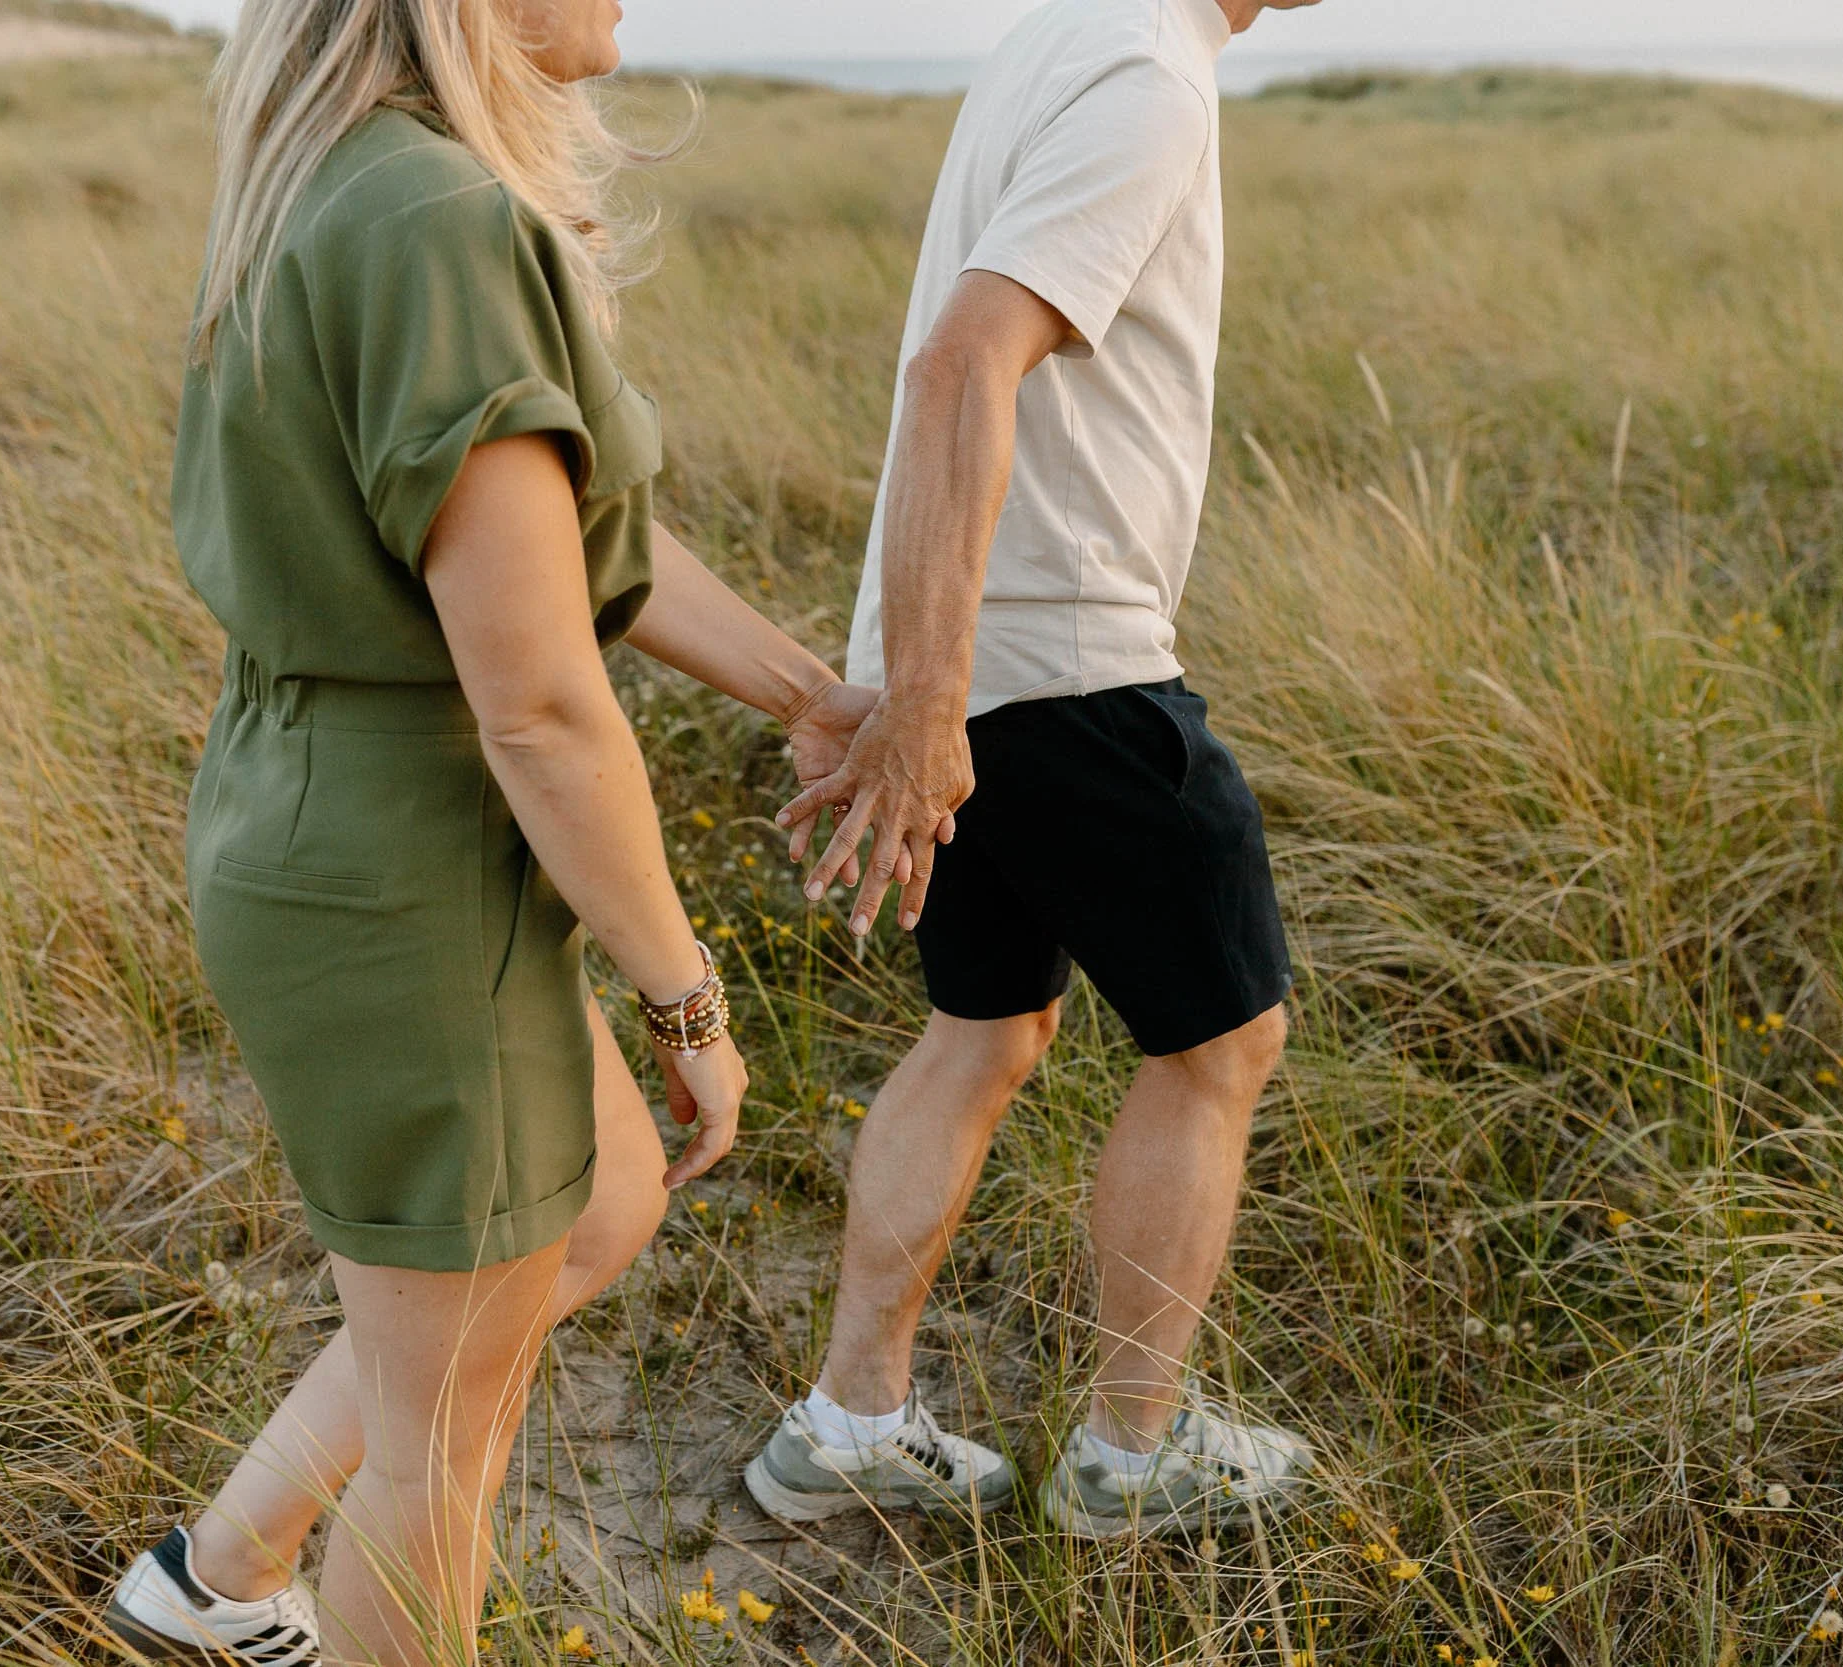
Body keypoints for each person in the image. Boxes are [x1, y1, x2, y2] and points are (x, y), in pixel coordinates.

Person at [102, 0, 872, 1659]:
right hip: (403, 857)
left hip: (318, 806)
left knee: (594, 1205)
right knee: (445, 1443)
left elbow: (590, 550)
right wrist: (689, 996)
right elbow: (539, 700)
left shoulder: (350, 178)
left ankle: (221, 1563)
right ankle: (234, 1569)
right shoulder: (441, 220)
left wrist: (807, 689)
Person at [744, 0, 1324, 1541]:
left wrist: (926, 677)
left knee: (984, 1028)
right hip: (1063, 655)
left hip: (977, 647)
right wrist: (927, 699)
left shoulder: (1065, 33)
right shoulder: (1143, 64)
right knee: (1222, 1043)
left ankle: (851, 1418)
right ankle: (1137, 1455)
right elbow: (960, 364)